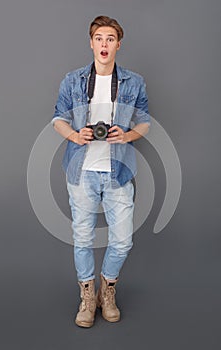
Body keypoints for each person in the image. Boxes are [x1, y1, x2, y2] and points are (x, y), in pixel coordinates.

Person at [52, 15, 150, 328]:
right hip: (82, 170)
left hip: (118, 170)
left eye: (110, 39)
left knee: (122, 241)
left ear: (118, 44)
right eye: (99, 38)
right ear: (91, 42)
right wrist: (74, 134)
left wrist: (128, 134)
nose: (104, 44)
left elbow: (145, 121)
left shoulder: (134, 81)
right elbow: (58, 118)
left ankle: (107, 290)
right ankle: (87, 295)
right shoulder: (73, 80)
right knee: (82, 238)